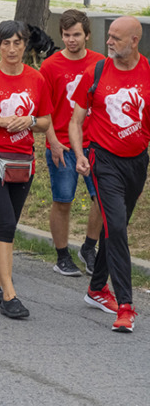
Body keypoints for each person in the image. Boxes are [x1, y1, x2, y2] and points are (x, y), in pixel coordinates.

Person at [71, 16, 150, 333]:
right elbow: (75, 120)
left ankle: (96, 288)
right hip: (103, 161)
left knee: (115, 227)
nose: (108, 41)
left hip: (137, 162)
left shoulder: (147, 72)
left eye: (116, 37)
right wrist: (79, 154)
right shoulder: (97, 71)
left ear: (135, 40)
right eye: (109, 36)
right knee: (116, 227)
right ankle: (126, 306)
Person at [0, 20, 50, 320]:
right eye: (6, 43)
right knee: (4, 223)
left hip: (22, 161)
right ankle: (9, 294)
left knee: (10, 225)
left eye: (18, 42)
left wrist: (29, 121)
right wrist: (0, 121)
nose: (13, 48)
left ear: (25, 44)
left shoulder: (36, 78)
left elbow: (44, 121)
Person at [39, 9, 105, 276]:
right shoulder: (50, 66)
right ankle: (62, 255)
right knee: (63, 201)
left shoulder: (100, 63)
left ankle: (89, 247)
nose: (71, 40)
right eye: (66, 35)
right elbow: (44, 111)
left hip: (96, 144)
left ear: (87, 35)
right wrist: (53, 142)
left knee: (101, 198)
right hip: (62, 145)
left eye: (76, 34)